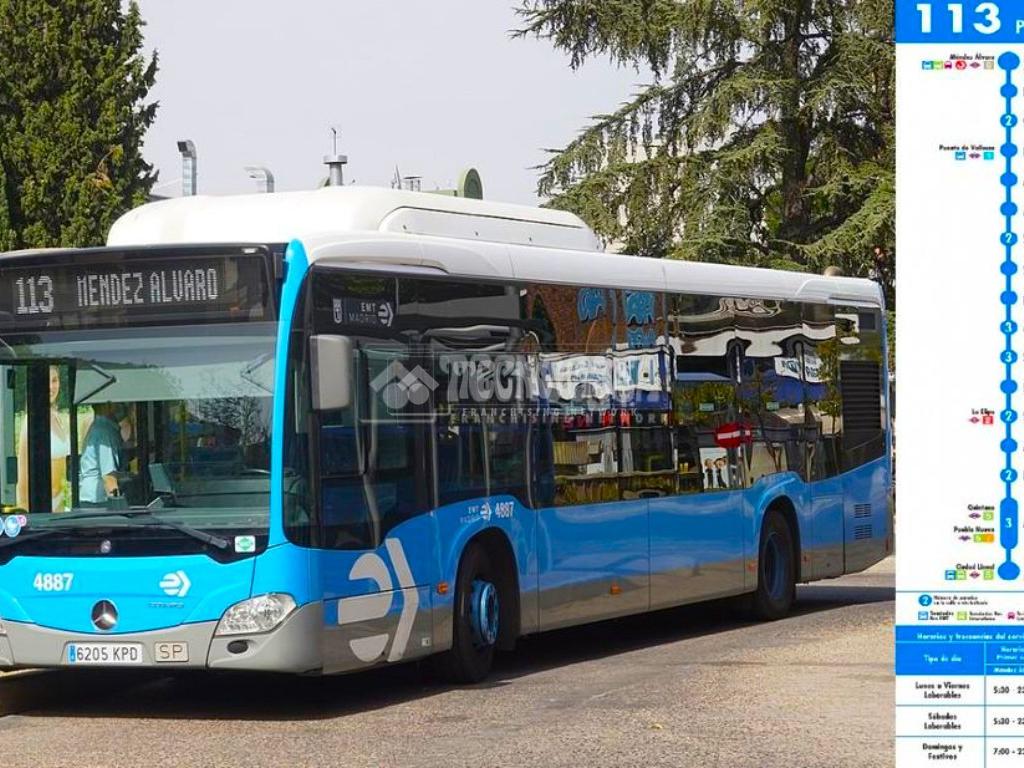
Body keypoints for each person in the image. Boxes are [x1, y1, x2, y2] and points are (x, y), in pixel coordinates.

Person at [16, 366, 71, 512]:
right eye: (46, 381)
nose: (51, 387)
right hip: (40, 508)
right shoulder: (30, 423)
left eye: (54, 380)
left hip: (59, 504)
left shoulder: (58, 418)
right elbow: (23, 481)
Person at [78, 402, 126, 506]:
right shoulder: (105, 431)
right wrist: (118, 507)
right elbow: (109, 477)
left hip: (90, 498)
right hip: (97, 501)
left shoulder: (98, 427)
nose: (122, 406)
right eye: (118, 403)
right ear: (107, 406)